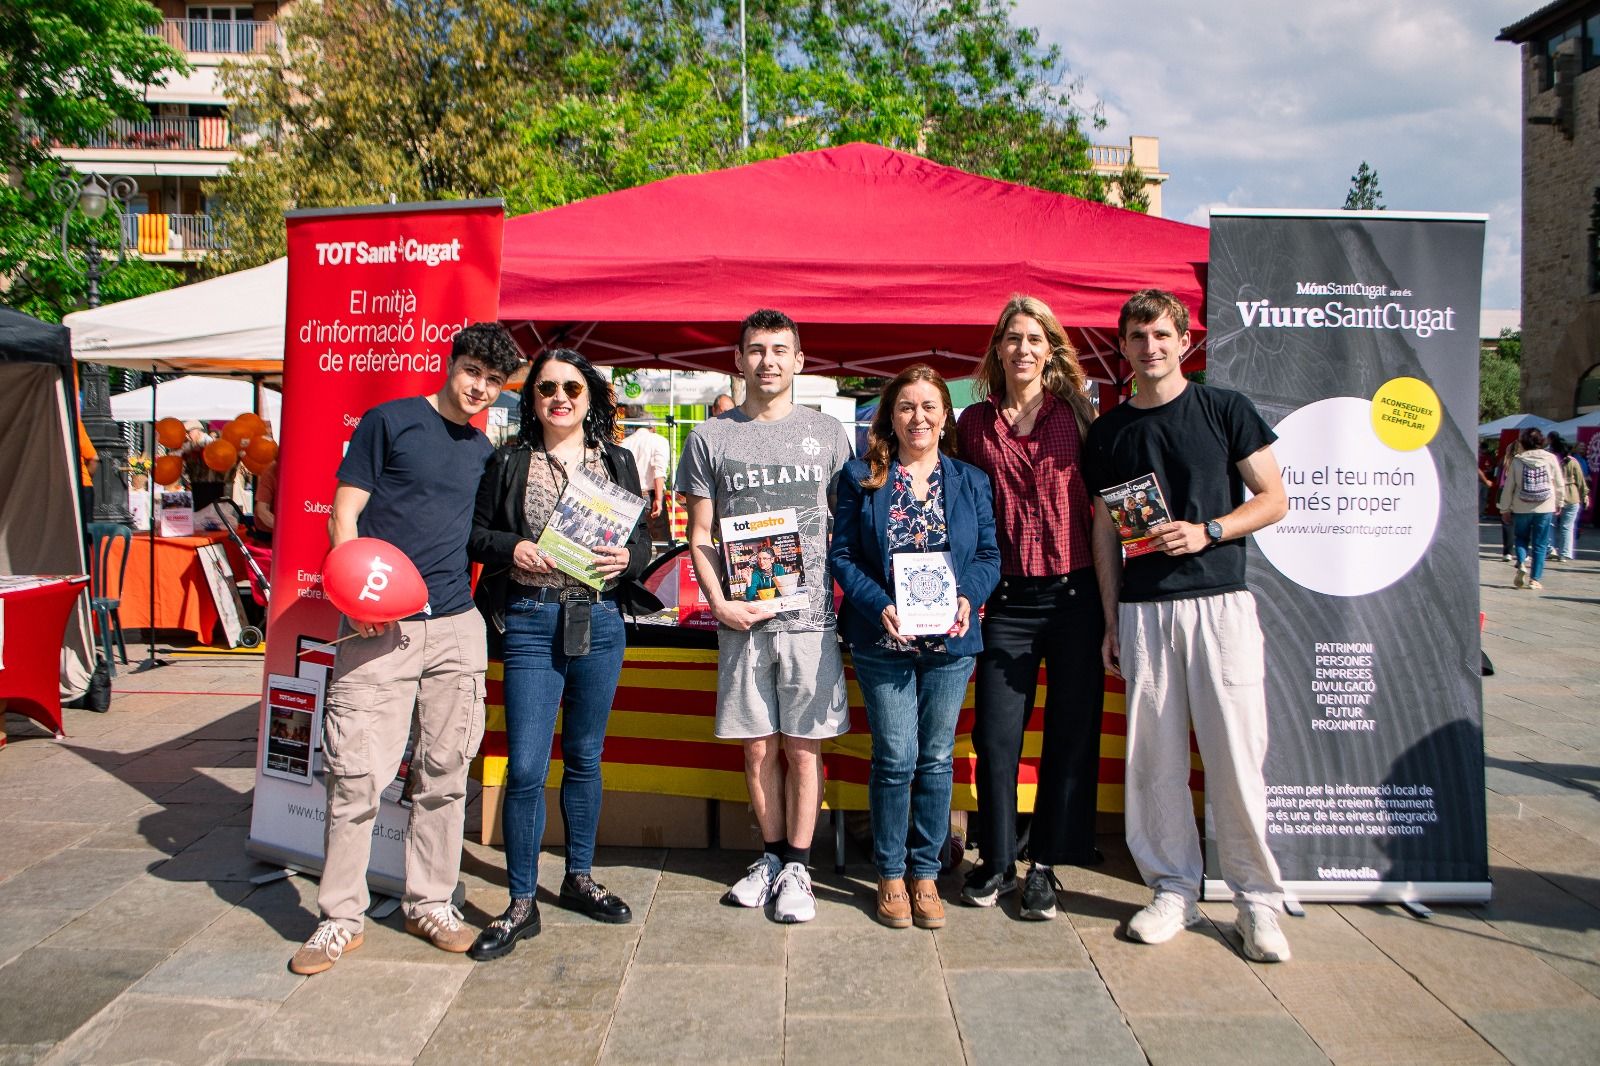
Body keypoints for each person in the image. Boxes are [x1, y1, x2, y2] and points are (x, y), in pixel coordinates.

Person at [289, 323, 519, 976]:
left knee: (445, 775)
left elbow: (484, 538)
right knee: (357, 775)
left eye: (493, 382)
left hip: (455, 627)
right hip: (380, 624)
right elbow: (343, 515)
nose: (480, 389)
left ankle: (431, 903)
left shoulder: (485, 454)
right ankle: (338, 919)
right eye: (473, 371)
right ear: (451, 365)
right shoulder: (389, 422)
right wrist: (355, 596)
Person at [1084, 288, 1292, 964]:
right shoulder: (1110, 432)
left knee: (1235, 752)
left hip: (1220, 602)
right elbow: (1105, 532)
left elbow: (1274, 499)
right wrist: (1111, 619)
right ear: (1123, 346)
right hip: (1144, 611)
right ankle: (1173, 888)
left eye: (1162, 334)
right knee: (1153, 760)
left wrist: (1209, 531)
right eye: (1138, 336)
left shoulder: (1225, 409)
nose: (1151, 346)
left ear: (1184, 341)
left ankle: (1257, 901)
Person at [465, 348, 659, 961]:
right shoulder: (510, 460)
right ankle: (521, 901)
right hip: (529, 619)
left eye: (572, 387)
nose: (560, 398)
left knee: (584, 757)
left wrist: (627, 560)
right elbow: (476, 533)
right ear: (532, 399)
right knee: (524, 766)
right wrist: (513, 548)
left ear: (590, 396)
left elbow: (642, 542)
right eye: (546, 388)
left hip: (599, 620)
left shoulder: (618, 461)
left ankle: (578, 877)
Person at [677, 308, 853, 923]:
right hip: (743, 619)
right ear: (738, 359)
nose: (768, 361)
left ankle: (800, 867)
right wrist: (720, 601)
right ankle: (772, 858)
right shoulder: (710, 439)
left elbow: (846, 526)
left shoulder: (830, 434)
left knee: (804, 748)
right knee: (757, 749)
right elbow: (699, 534)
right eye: (756, 350)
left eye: (780, 350)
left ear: (799, 360)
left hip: (811, 623)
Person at [830, 365, 1000, 929]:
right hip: (885, 638)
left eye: (930, 406)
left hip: (951, 641)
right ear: (890, 415)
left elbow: (988, 557)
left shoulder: (971, 480)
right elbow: (845, 556)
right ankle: (890, 873)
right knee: (896, 756)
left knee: (935, 758)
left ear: (945, 415)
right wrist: (878, 602)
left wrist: (965, 599)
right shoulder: (862, 478)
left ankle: (926, 872)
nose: (918, 417)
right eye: (907, 406)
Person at [954, 295, 1105, 921]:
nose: (1023, 349)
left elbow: (1105, 506)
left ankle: (1045, 863)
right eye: (1012, 338)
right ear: (998, 350)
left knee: (1069, 737)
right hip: (1007, 601)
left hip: (1076, 595)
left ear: (1052, 349)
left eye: (1034, 339)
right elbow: (957, 511)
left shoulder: (1079, 414)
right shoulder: (971, 424)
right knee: (996, 737)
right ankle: (996, 860)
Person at [1499, 428, 1565, 590]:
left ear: (1524, 443)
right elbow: (1558, 483)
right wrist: (1560, 502)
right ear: (1541, 441)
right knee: (1540, 544)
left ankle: (1521, 561)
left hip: (1522, 506)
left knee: (1521, 537)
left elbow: (1509, 487)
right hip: (1545, 506)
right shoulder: (1551, 459)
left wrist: (1504, 509)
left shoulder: (1517, 460)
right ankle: (1535, 579)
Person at [621, 404, 671, 543]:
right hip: (651, 494)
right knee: (661, 542)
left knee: (634, 542)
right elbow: (658, 471)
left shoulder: (625, 443)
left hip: (630, 494)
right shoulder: (659, 441)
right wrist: (659, 500)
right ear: (652, 427)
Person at [1552, 440, 1589, 563]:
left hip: (1555, 497)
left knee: (1551, 525)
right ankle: (1565, 553)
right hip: (1572, 496)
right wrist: (1585, 495)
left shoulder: (1553, 461)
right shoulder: (1573, 462)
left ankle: (1550, 550)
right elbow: (1580, 480)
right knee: (1567, 527)